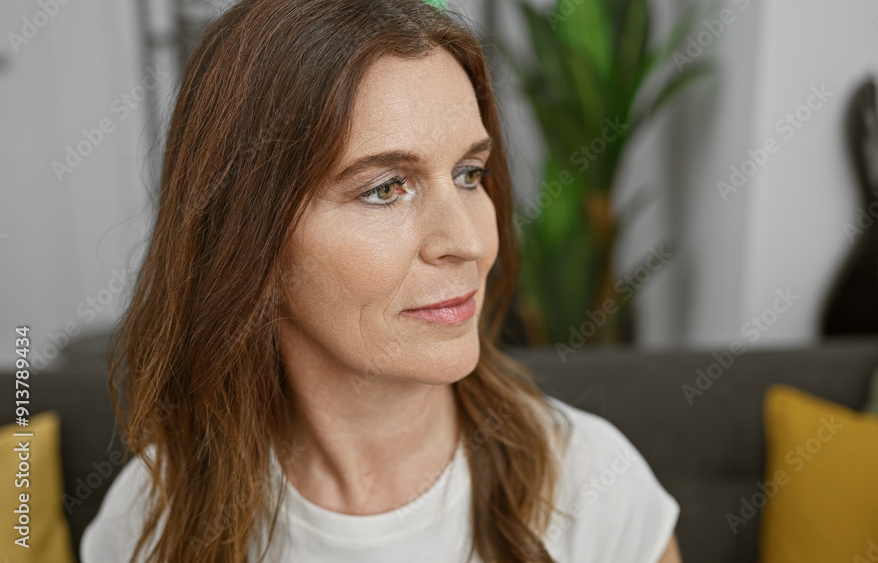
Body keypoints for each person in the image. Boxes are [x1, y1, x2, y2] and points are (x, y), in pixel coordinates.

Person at [80, 0, 682, 561]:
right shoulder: (151, 518)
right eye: (385, 189)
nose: (470, 243)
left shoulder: (595, 489)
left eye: (470, 174)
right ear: (247, 234)